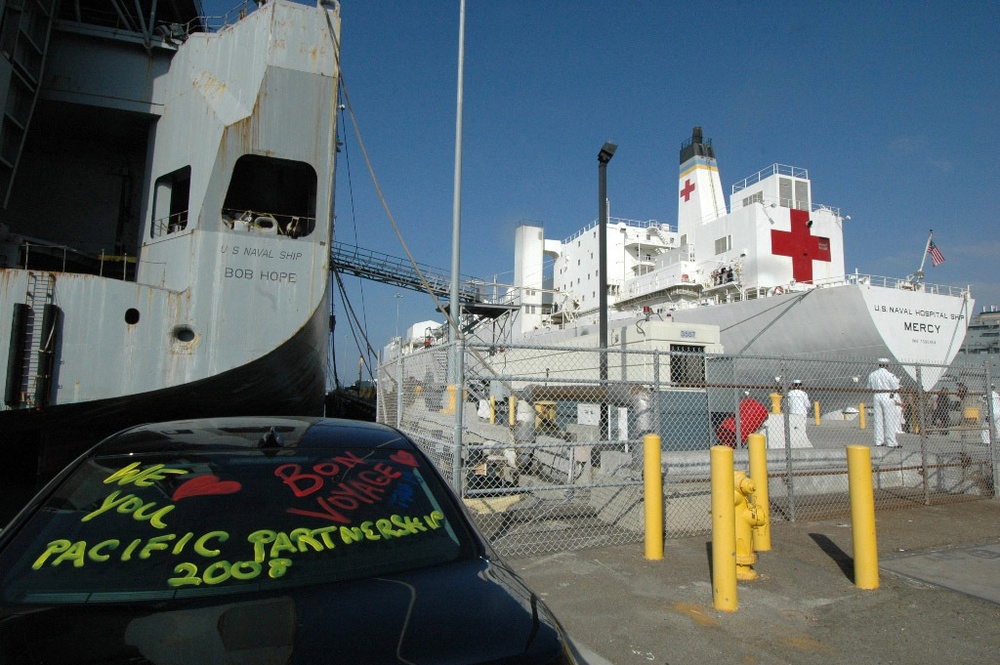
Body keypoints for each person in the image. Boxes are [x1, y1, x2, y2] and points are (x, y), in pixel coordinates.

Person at [868, 358, 902, 448]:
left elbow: (869, 387)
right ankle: (891, 442)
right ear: (887, 365)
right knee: (889, 419)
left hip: (876, 395)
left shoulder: (872, 374)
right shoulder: (890, 375)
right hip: (887, 395)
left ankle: (878, 441)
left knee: (877, 419)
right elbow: (896, 387)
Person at [785, 380, 812, 447]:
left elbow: (787, 404)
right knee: (802, 427)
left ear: (793, 385)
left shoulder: (789, 393)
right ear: (800, 385)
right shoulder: (803, 394)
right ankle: (802, 441)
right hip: (802, 412)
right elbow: (807, 404)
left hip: (793, 412)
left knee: (794, 427)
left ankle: (793, 441)